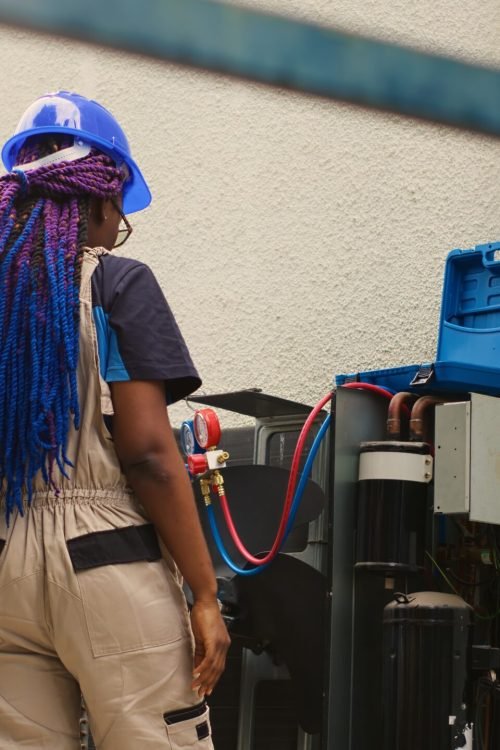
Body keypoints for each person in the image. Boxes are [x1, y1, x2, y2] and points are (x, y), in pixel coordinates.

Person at [0, 90, 230, 749]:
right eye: (118, 211)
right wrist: (205, 594)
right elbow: (150, 455)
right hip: (107, 562)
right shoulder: (114, 284)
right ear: (102, 195)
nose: (117, 228)